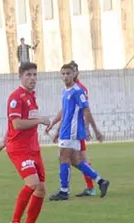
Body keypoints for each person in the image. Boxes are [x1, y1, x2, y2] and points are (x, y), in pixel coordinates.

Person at [0, 62, 49, 223]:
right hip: (20, 149)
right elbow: (16, 124)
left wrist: (0, 144)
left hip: (33, 149)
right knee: (32, 183)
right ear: (21, 76)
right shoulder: (16, 97)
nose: (32, 78)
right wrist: (39, 120)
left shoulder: (31, 97)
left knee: (41, 189)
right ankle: (14, 222)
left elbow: (10, 127)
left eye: (35, 75)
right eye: (29, 75)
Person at [46, 62, 110, 201]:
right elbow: (65, 112)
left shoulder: (78, 91)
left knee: (63, 158)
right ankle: (101, 181)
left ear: (73, 75)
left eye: (68, 73)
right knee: (75, 161)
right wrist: (55, 127)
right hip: (65, 130)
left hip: (72, 131)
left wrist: (91, 129)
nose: (66, 76)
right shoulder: (65, 91)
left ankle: (64, 191)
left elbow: (86, 109)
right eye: (63, 74)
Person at [73, 69, 97, 196]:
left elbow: (86, 110)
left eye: (72, 72)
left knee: (76, 158)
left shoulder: (80, 89)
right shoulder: (70, 89)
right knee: (75, 158)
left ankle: (95, 184)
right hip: (73, 130)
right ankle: (93, 184)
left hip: (77, 130)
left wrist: (87, 128)